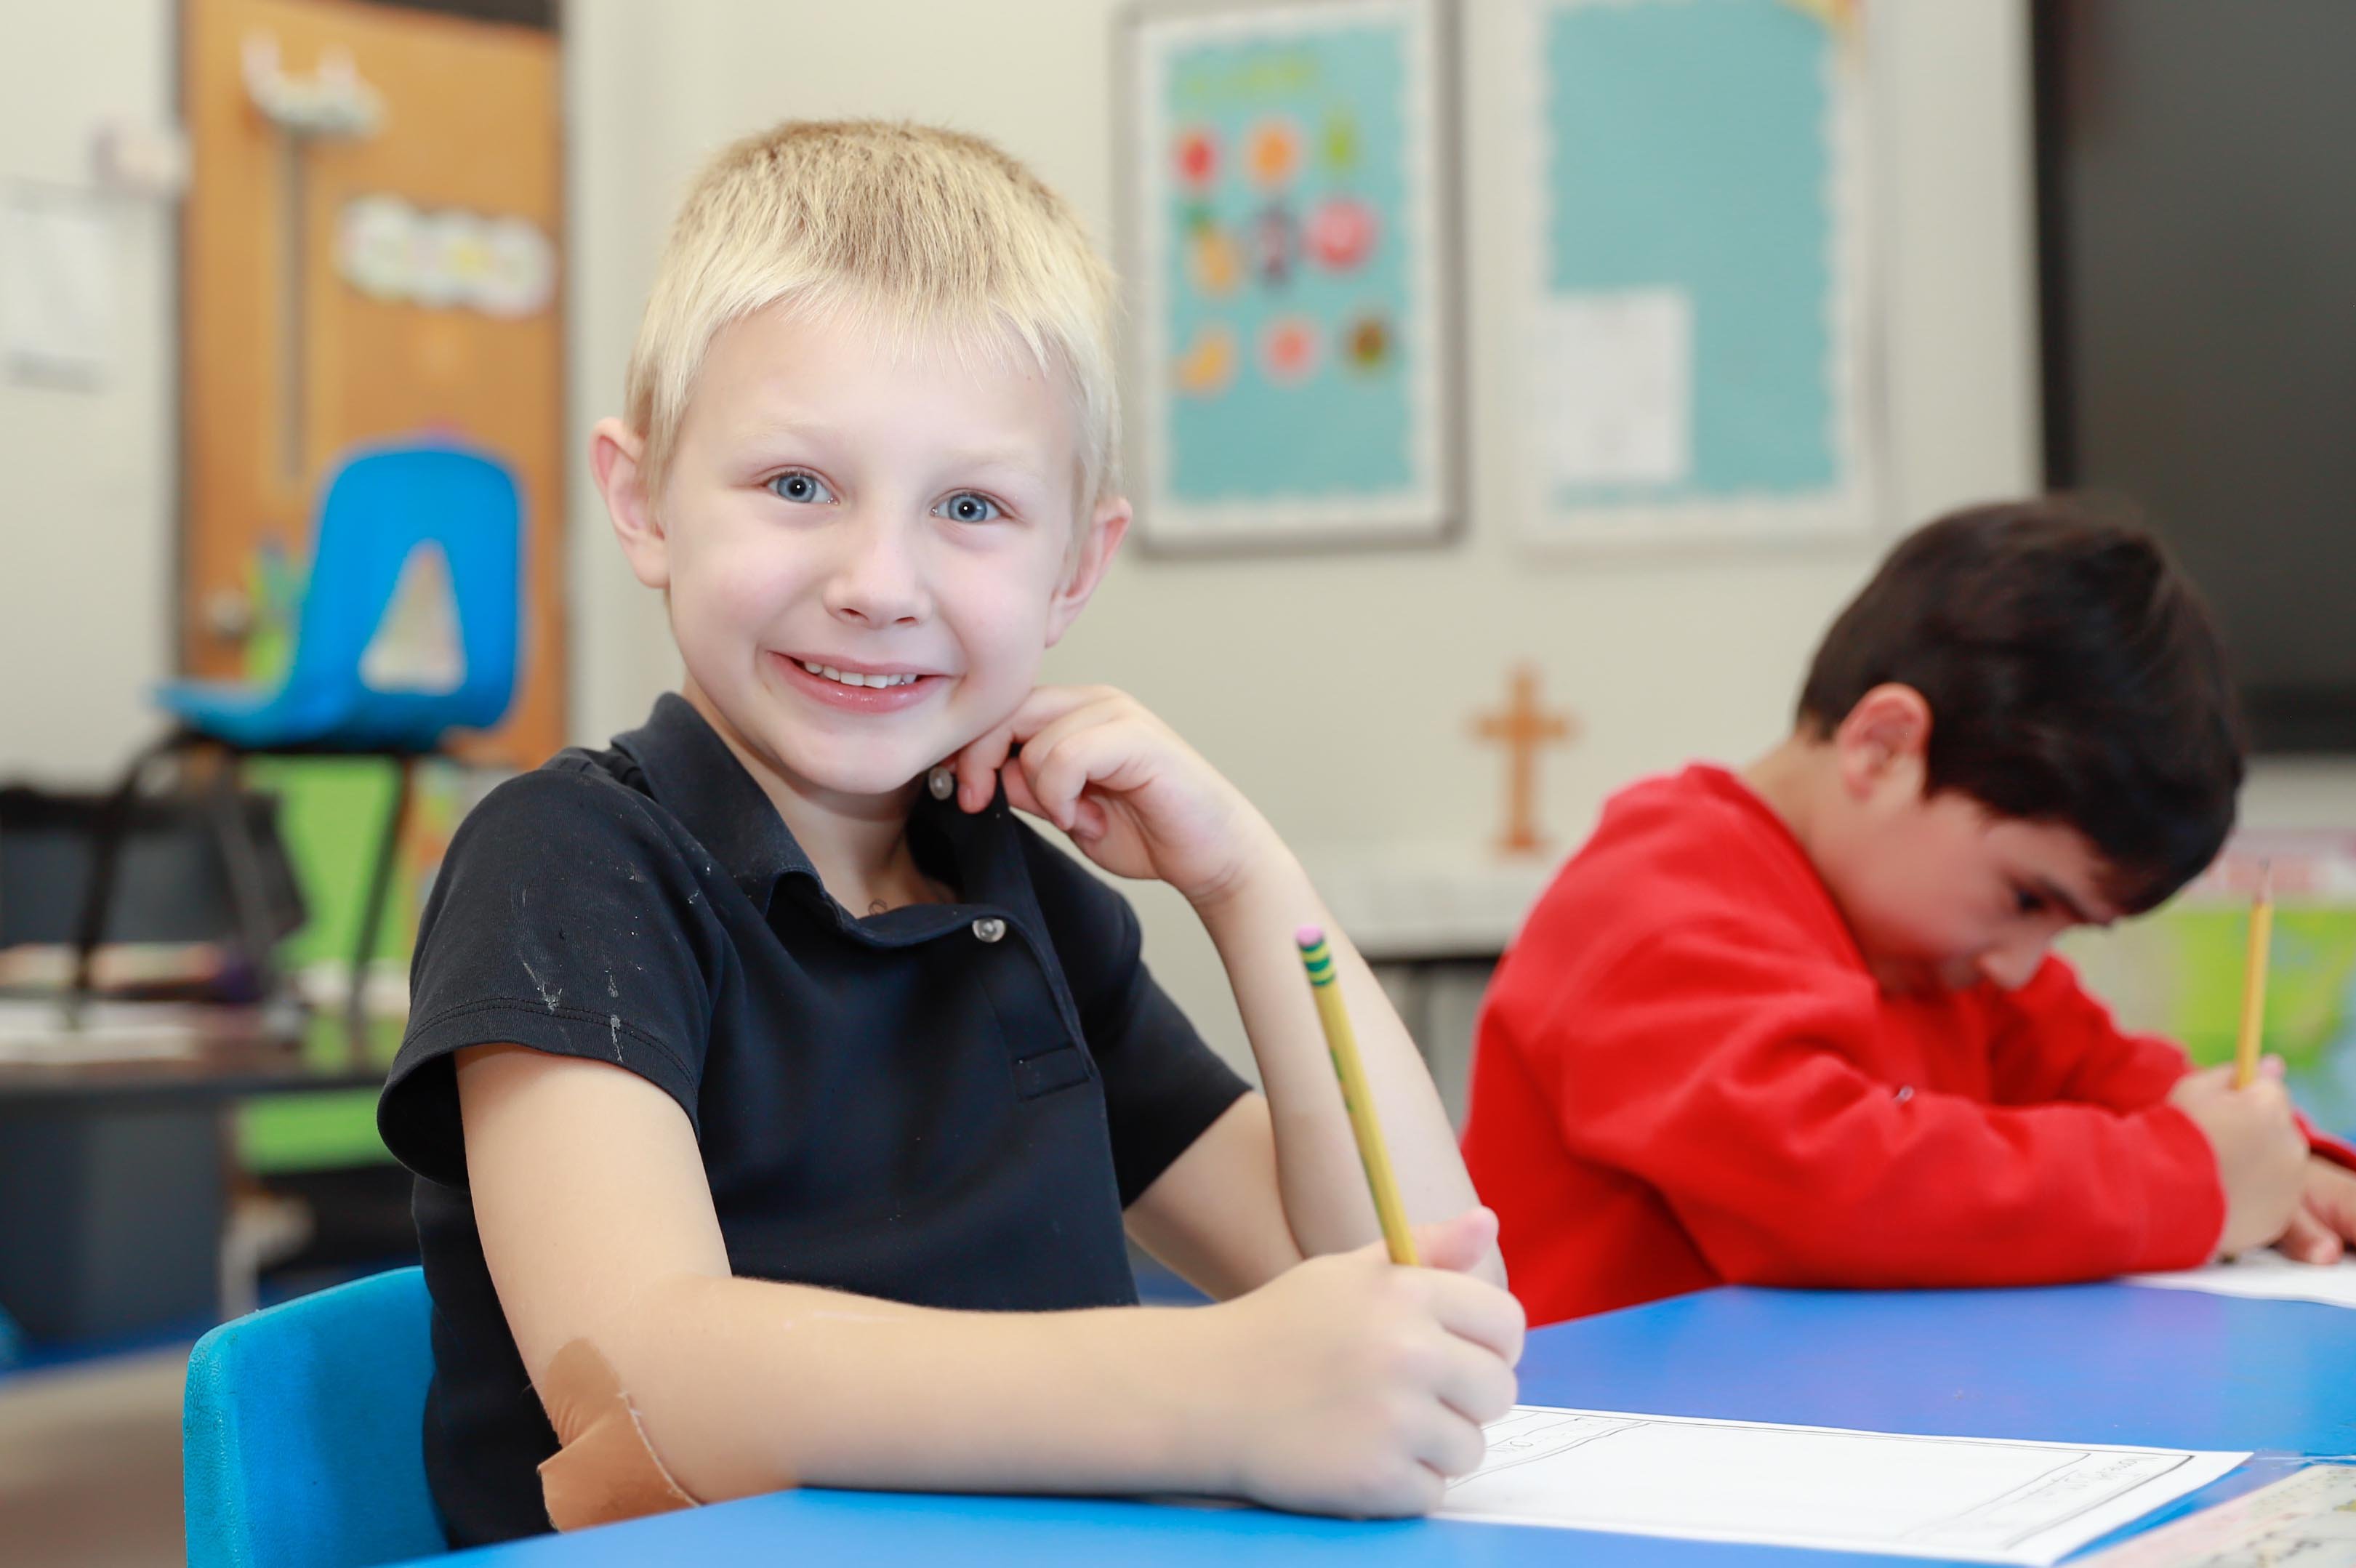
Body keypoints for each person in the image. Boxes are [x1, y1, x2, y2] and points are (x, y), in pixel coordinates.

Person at [378, 121, 1519, 1545]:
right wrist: (1210, 1386)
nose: (877, 581)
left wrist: (1246, 876)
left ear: (1072, 568)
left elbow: (1406, 1283)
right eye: (798, 486)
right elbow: (645, 1380)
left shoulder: (1018, 896)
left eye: (970, 506)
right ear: (642, 500)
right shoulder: (570, 861)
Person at [1462, 499, 2356, 1324]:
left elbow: (2096, 1068)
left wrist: (2286, 1162)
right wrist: (2189, 1179)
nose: (2020, 962)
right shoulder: (1651, 911)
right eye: (2025, 899)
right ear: (1884, 750)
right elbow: (1824, 1188)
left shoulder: (1938, 947)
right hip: (1612, 1454)